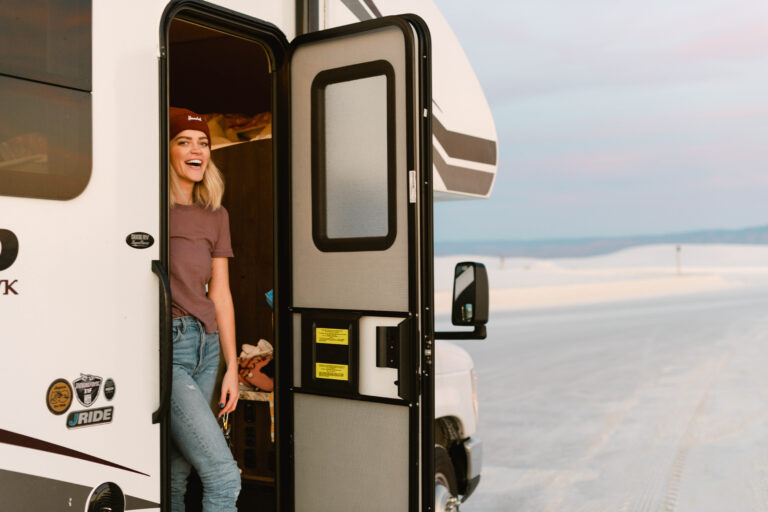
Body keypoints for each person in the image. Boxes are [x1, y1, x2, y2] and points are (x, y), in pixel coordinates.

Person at [168, 107, 241, 511]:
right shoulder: (151, 210)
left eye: (204, 143)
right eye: (184, 142)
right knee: (223, 477)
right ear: (169, 151)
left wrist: (232, 366)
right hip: (171, 348)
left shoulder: (216, 214)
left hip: (208, 348)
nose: (197, 150)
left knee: (178, 475)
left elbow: (222, 294)